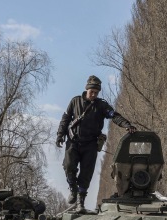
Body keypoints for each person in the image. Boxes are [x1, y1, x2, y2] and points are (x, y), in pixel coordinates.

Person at [56, 75, 136, 212]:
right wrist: (59, 135)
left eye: (96, 92)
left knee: (86, 173)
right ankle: (73, 189)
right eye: (91, 91)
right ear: (86, 89)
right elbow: (65, 119)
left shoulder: (101, 105)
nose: (93, 94)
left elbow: (114, 115)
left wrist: (126, 124)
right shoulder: (75, 102)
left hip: (90, 144)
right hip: (73, 142)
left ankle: (81, 202)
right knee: (68, 166)